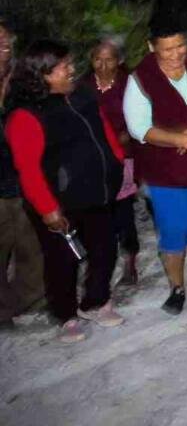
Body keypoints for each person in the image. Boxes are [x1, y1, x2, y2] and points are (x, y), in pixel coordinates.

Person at [5, 40, 128, 342]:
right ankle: (66, 315)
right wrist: (48, 208)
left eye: (71, 64)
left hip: (97, 191)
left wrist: (117, 161)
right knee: (62, 260)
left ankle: (96, 302)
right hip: (60, 202)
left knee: (105, 249)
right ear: (43, 74)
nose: (72, 70)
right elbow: (29, 169)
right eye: (63, 67)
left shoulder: (82, 94)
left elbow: (104, 131)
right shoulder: (26, 114)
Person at [123, 10, 187, 315]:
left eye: (180, 46)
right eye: (168, 49)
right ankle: (177, 289)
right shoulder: (140, 78)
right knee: (172, 233)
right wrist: (181, 139)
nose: (177, 54)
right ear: (152, 48)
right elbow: (138, 128)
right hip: (164, 173)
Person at [80, 39, 139, 288]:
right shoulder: (82, 87)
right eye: (97, 60)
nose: (103, 65)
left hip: (123, 155)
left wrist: (125, 134)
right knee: (95, 212)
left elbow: (139, 117)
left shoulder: (130, 84)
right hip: (91, 158)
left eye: (109, 59)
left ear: (120, 61)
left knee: (122, 209)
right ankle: (98, 262)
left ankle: (129, 260)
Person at [0, 20, 43, 330]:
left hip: (23, 176)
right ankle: (3, 311)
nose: (4, 42)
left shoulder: (20, 77)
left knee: (30, 246)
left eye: (6, 37)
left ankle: (28, 299)